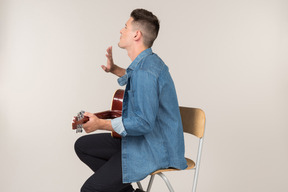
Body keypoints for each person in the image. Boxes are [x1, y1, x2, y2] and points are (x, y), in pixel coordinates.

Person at [74, 8, 187, 192]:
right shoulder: (148, 63)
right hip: (148, 140)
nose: (121, 30)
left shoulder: (145, 72)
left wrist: (101, 124)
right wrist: (115, 69)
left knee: (91, 189)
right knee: (83, 146)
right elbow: (136, 77)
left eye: (125, 27)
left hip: (154, 148)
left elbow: (143, 123)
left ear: (136, 35)